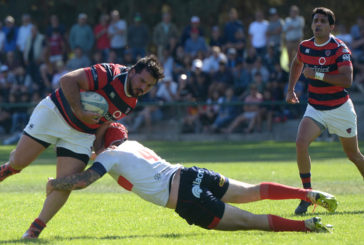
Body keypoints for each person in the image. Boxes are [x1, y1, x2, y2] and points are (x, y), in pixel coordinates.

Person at [45, 122, 336, 238]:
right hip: (193, 173)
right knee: (252, 191)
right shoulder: (132, 146)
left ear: (104, 141)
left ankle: (306, 226)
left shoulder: (109, 155)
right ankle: (308, 194)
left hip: (186, 195)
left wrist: (54, 183)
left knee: (251, 221)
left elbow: (84, 181)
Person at [0, 55, 164, 239]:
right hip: (55, 113)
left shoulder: (130, 102)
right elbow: (67, 80)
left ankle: (33, 231)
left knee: (68, 181)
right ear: (133, 71)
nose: (143, 88)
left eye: (149, 86)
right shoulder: (109, 73)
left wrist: (100, 148)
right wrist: (79, 111)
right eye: (142, 81)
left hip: (82, 133)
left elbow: (104, 123)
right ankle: (7, 168)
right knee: (18, 162)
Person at [286, 7, 364, 215]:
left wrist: (318, 76)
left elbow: (347, 80)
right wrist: (291, 89)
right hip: (316, 107)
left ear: (331, 26)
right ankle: (307, 195)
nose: (318, 24)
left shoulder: (339, 48)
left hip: (340, 109)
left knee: (354, 155)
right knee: (301, 143)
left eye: (322, 21)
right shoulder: (305, 46)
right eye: (315, 21)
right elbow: (296, 64)